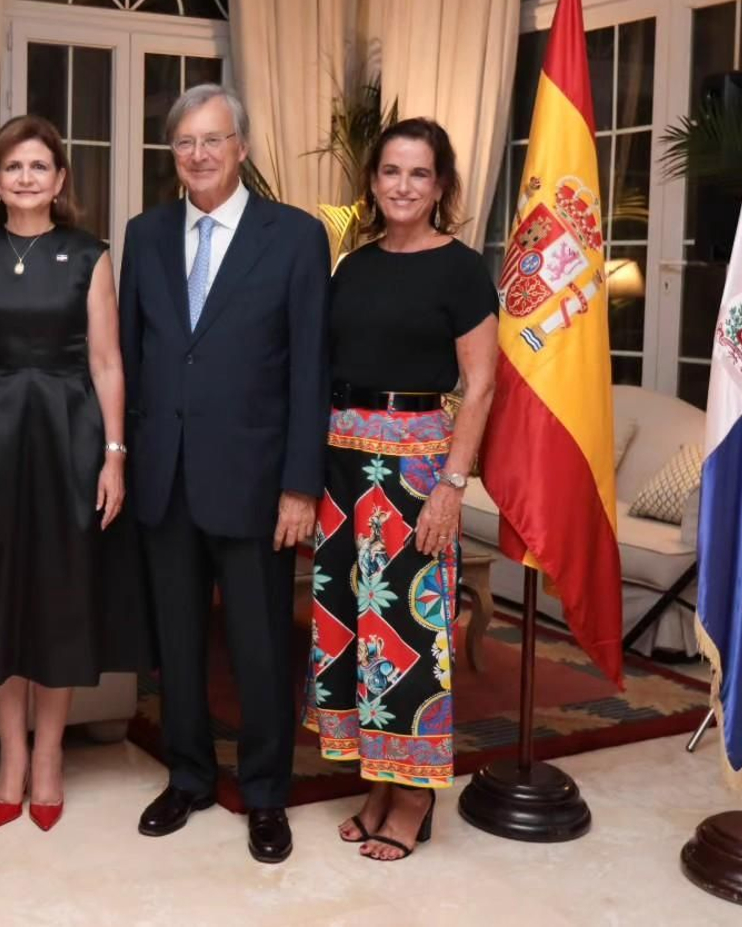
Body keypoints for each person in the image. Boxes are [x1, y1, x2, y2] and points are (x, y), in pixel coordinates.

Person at [118, 84, 330, 864]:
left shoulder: (295, 237)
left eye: (213, 140)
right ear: (171, 155)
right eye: (184, 144)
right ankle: (189, 775)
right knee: (176, 643)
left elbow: (311, 367)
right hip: (165, 477)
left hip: (257, 481)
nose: (199, 155)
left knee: (260, 644)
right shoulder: (144, 235)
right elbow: (131, 359)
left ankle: (266, 793)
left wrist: (301, 484)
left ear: (242, 147)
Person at [0, 115, 150, 832]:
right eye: (11, 167)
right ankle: (10, 756)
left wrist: (114, 455)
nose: (25, 177)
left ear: (58, 180)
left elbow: (108, 361)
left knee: (58, 597)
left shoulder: (91, 254)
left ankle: (49, 754)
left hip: (69, 439)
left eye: (38, 167)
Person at [304, 118, 498, 862]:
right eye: (391, 171)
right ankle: (377, 783)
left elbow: (480, 386)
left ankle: (413, 795)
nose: (403, 186)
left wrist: (452, 485)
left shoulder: (460, 269)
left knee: (410, 638)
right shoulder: (351, 266)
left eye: (419, 174)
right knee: (351, 633)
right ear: (374, 181)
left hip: (418, 470)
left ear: (441, 185)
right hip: (342, 467)